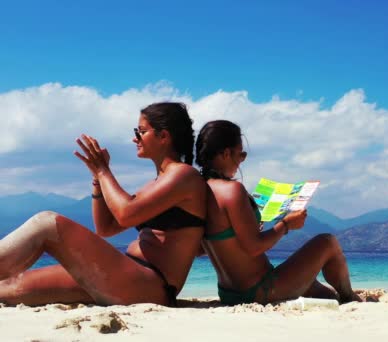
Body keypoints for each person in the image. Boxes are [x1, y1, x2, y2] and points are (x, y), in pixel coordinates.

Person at [0, 102, 206, 307]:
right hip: (123, 274)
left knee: (45, 223)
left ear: (164, 136)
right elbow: (106, 228)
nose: (135, 138)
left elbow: (126, 214)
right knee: (9, 286)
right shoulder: (155, 185)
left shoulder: (184, 175)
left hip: (148, 283)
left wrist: (103, 171)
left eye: (141, 131)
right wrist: (98, 179)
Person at [195, 120, 361, 305]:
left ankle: (339, 297)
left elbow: (203, 248)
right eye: (241, 154)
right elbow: (254, 247)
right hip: (260, 290)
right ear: (226, 154)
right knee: (327, 242)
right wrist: (287, 225)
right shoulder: (232, 190)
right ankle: (349, 298)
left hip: (229, 292)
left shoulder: (199, 190)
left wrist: (246, 228)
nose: (242, 160)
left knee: (322, 292)